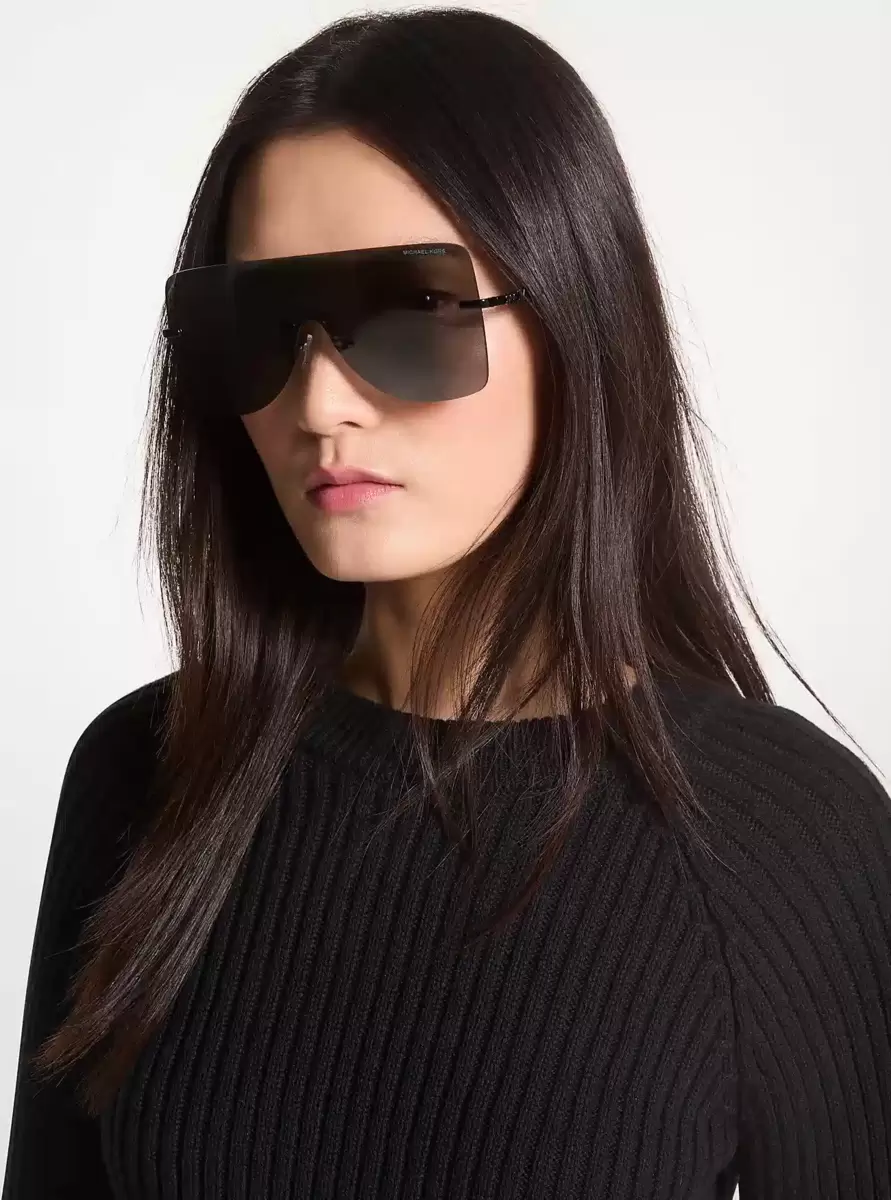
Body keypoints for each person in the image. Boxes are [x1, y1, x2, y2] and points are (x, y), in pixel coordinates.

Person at [3, 8, 889, 1199]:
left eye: (407, 315)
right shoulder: (146, 774)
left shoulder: (786, 839)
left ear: (576, 319)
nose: (320, 402)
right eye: (257, 327)